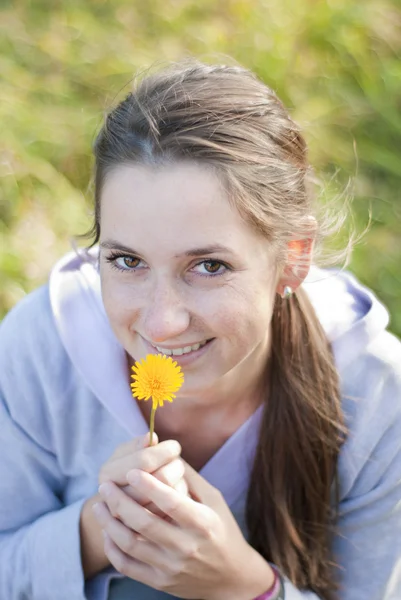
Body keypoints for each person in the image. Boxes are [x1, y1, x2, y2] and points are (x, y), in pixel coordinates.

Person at [0, 59, 400, 600]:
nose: (163, 323)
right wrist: (99, 528)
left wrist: (245, 586)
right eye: (126, 261)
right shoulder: (39, 350)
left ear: (293, 258)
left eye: (209, 267)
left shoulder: (378, 399)